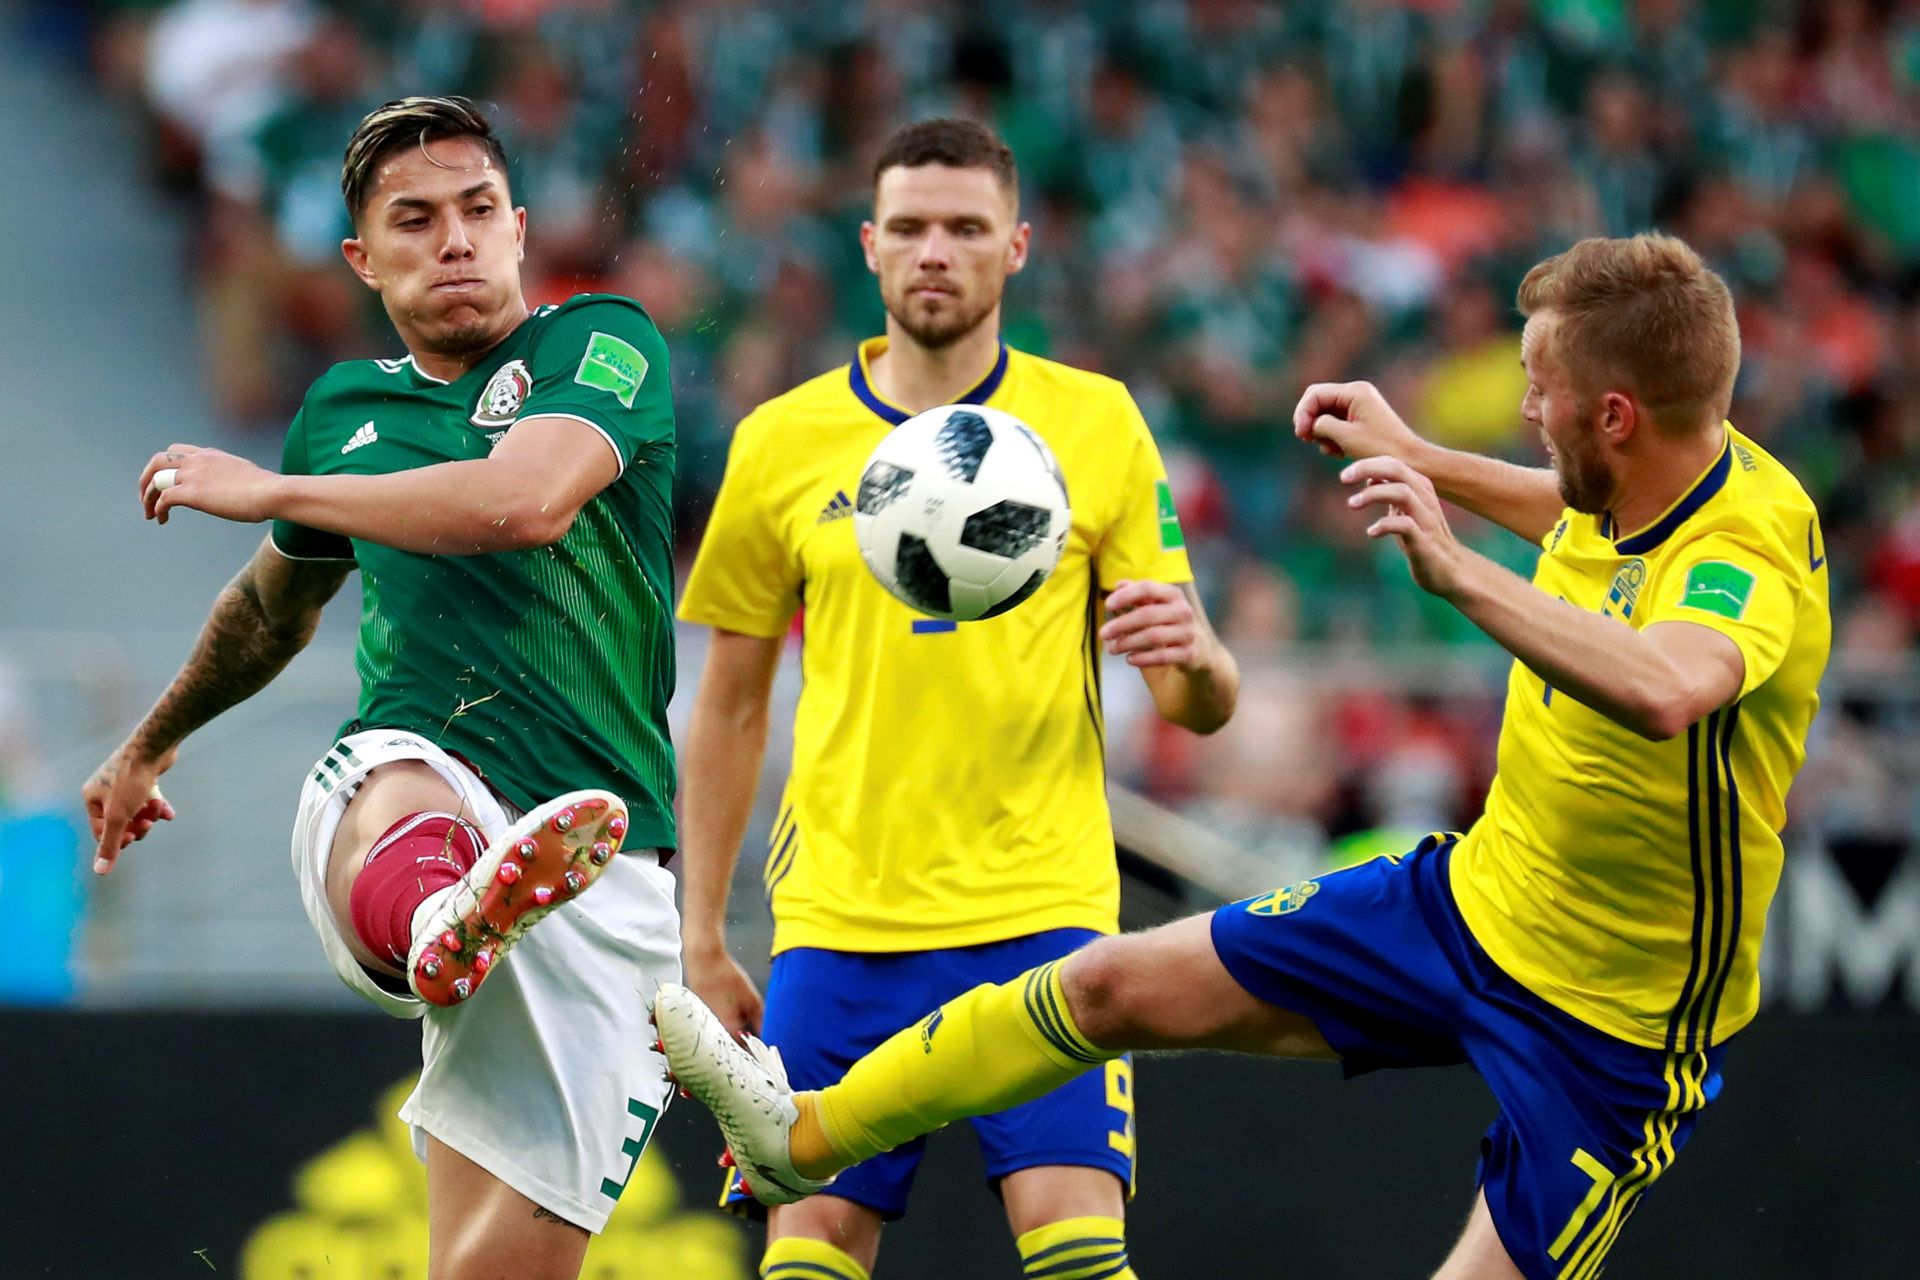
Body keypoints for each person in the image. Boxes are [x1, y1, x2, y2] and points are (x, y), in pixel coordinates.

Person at [656, 233, 1832, 1280]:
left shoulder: (1750, 545)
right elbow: (1581, 516)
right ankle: (798, 1135)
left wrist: (1456, 567)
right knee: (1108, 982)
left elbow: (1672, 686)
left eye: (1542, 388)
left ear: (1615, 415)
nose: (1525, 405)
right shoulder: (1643, 475)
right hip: (1471, 900)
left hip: (1616, 1027)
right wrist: (1421, 456)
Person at [81, 97, 683, 1280]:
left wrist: (276, 493)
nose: (452, 240)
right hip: (421, 791)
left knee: (491, 1268)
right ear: (362, 259)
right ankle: (438, 912)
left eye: (474, 211)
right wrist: (145, 744)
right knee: (398, 769)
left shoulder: (602, 345)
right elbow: (268, 608)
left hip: (604, 864)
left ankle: (466, 909)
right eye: (413, 220)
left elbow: (521, 504)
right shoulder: (345, 413)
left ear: (517, 227)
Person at [673, 117, 1239, 1280]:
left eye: (967, 228)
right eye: (914, 227)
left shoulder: (1097, 422)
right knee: (811, 1255)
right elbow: (729, 705)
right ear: (871, 245)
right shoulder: (781, 441)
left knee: (1078, 1250)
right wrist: (699, 930)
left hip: (1044, 910)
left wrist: (1195, 656)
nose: (938, 250)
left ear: (1016, 247)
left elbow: (1197, 701)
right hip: (840, 919)